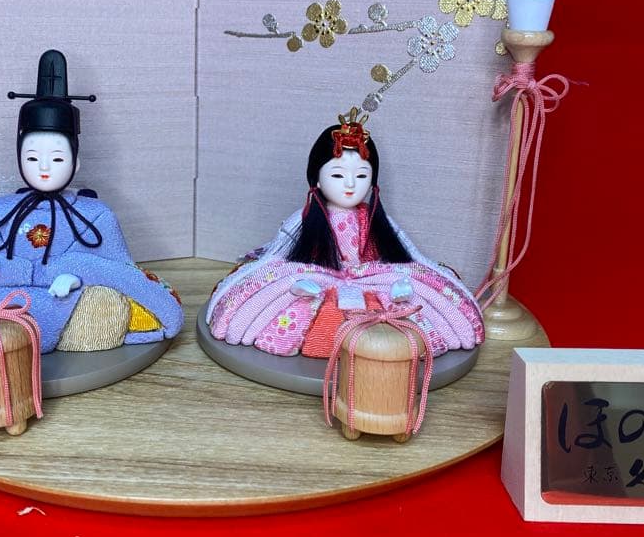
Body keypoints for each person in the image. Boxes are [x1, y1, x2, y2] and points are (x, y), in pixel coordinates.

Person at [0, 50, 183, 352]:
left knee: (105, 301)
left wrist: (75, 274)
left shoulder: (96, 215)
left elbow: (118, 270)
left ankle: (76, 343)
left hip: (70, 307)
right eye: (32, 158)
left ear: (75, 162)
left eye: (57, 158)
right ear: (18, 158)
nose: (44, 168)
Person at [205, 112, 483, 357]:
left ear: (373, 181)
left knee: (416, 289)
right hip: (317, 273)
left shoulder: (373, 219)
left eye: (361, 176)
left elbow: (415, 257)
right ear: (317, 178)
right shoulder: (304, 219)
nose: (350, 184)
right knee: (285, 290)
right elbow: (273, 258)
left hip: (371, 276)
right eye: (338, 175)